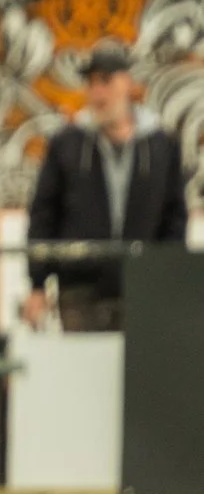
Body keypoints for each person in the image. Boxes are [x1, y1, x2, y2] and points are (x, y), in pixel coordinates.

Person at [27, 39, 189, 332]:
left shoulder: (161, 146)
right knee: (84, 361)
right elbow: (43, 215)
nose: (97, 91)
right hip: (80, 289)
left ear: (127, 83)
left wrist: (167, 274)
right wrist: (37, 284)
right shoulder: (67, 144)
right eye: (91, 83)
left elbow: (174, 217)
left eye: (105, 80)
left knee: (142, 361)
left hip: (144, 288)